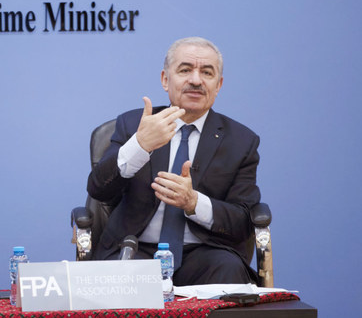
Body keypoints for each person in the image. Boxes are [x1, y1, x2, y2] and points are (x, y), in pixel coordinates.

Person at [87, 36, 261, 285]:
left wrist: (193, 202)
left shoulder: (241, 141)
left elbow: (243, 221)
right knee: (121, 278)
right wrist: (141, 144)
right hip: (137, 249)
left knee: (229, 270)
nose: (196, 80)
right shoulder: (133, 124)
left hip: (205, 254)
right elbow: (98, 188)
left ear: (219, 84)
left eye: (207, 72)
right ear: (165, 80)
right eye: (185, 70)